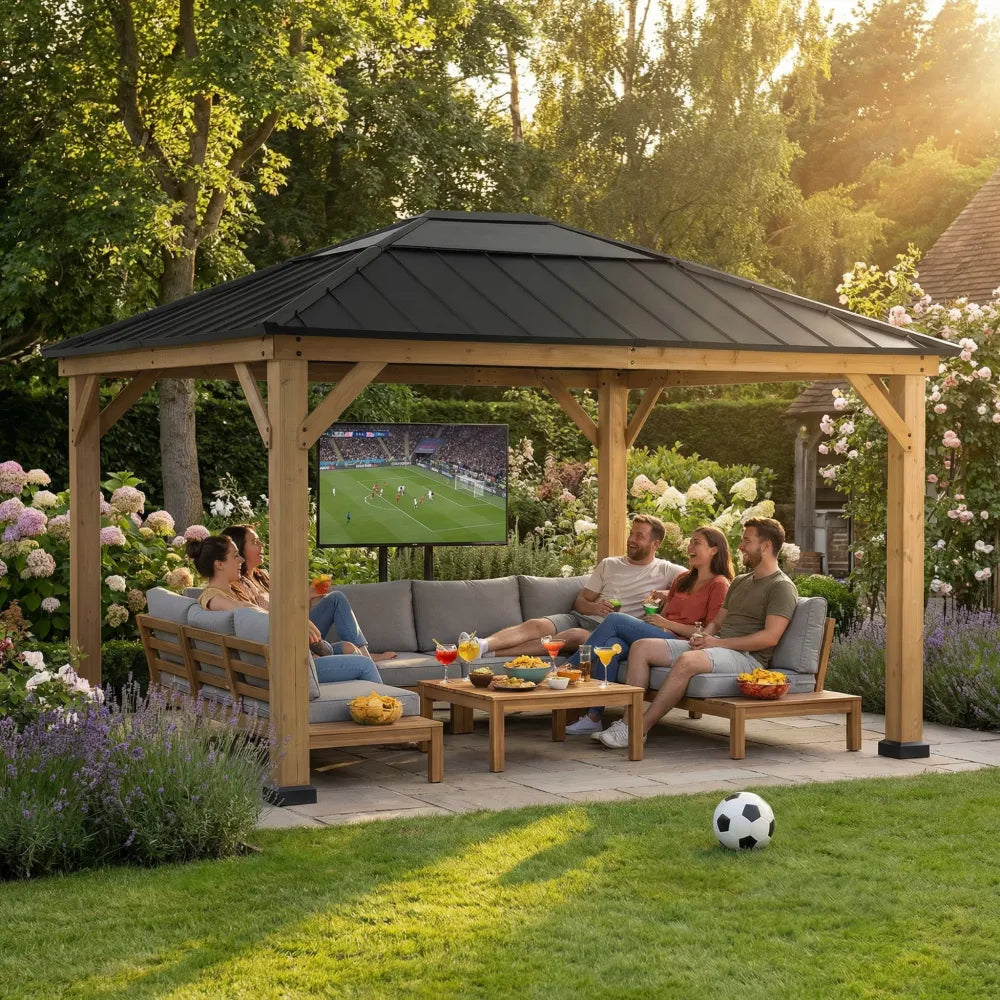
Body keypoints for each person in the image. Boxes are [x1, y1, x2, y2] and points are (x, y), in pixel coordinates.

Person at [595, 517, 798, 750]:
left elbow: (770, 637)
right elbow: (718, 622)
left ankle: (639, 729)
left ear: (765, 546)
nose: (740, 546)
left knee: (687, 660)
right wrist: (704, 637)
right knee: (642, 647)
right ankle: (626, 723)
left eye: (747, 541)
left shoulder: (781, 586)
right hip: (719, 647)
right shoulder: (742, 581)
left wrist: (717, 644)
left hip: (748, 658)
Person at [565, 525, 734, 735]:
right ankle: (594, 716)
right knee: (610, 646)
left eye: (696, 543)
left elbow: (708, 632)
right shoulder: (683, 580)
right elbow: (668, 614)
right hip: (660, 634)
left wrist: (666, 624)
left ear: (714, 550)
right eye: (690, 541)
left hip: (681, 642)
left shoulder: (719, 585)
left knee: (615, 619)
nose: (690, 547)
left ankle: (567, 669)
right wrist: (658, 613)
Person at [460, 515, 685, 659]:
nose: (631, 539)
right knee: (538, 624)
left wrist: (668, 592)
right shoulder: (610, 564)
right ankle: (482, 644)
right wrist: (595, 608)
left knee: (573, 635)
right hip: (581, 616)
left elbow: (704, 580)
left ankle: (492, 653)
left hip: (605, 632)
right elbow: (580, 602)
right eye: (631, 533)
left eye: (639, 536)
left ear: (655, 544)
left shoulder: (666, 570)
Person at [186, 534, 382, 684]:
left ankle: (370, 710)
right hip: (284, 668)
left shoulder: (227, 594)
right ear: (219, 564)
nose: (241, 560)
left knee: (350, 649)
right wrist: (296, 622)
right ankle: (388, 714)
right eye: (235, 556)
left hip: (289, 656)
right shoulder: (214, 598)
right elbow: (247, 612)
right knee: (364, 665)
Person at [221, 524, 396, 663]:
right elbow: (265, 618)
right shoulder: (236, 586)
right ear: (240, 549)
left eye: (260, 541)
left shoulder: (263, 576)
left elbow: (287, 607)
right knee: (346, 643)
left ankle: (365, 655)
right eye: (254, 542)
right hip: (284, 635)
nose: (262, 545)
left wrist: (310, 594)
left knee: (335, 599)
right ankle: (364, 659)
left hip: (296, 627)